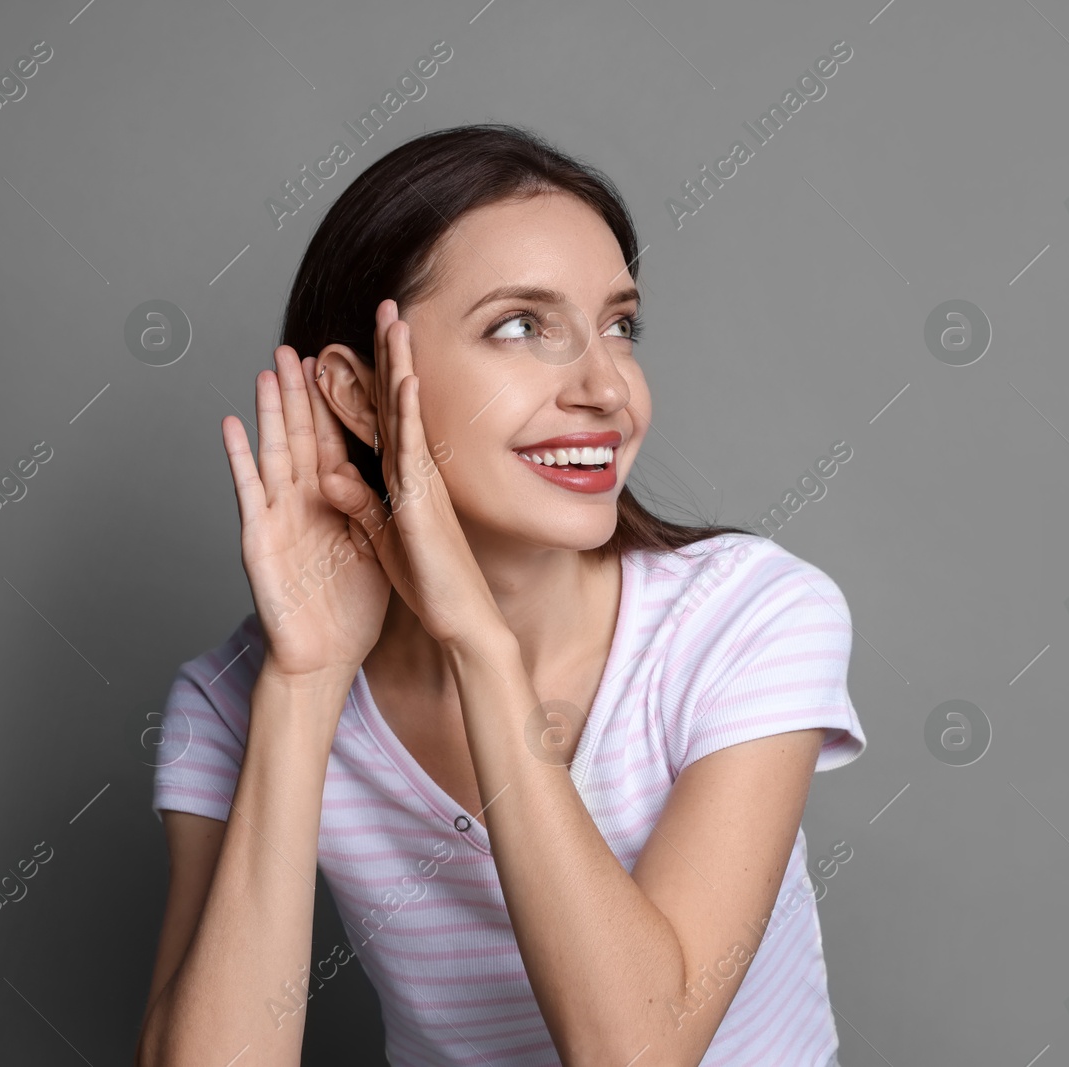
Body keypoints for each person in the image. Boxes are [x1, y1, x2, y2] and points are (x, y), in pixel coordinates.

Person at [133, 123, 866, 1067]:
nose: (606, 387)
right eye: (522, 326)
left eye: (619, 325)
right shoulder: (233, 697)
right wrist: (306, 682)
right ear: (357, 396)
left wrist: (476, 641)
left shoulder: (748, 616)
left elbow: (635, 1052)